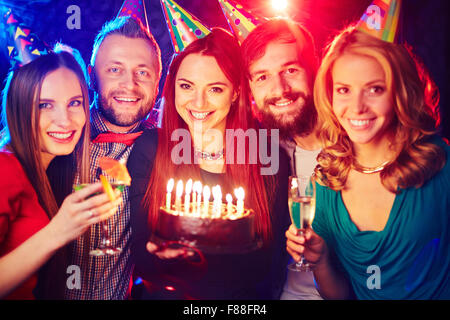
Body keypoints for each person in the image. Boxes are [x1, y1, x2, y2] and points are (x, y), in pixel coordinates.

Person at [286, 26, 450, 299]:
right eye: (344, 90)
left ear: (400, 92)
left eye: (374, 89)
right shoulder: (326, 182)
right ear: (330, 95)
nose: (357, 106)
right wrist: (321, 260)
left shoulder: (439, 165)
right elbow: (339, 296)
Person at [128, 28, 290, 299]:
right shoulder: (150, 149)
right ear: (172, 88)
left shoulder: (268, 154)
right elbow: (143, 258)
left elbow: (268, 267)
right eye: (186, 86)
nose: (198, 102)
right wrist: (164, 259)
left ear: (236, 93)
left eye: (215, 88)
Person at [0, 45, 120, 299]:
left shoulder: (45, 171)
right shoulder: (5, 168)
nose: (65, 120)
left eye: (74, 103)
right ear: (19, 107)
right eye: (45, 105)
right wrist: (58, 231)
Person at [64, 16, 162, 300]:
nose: (129, 85)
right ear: (93, 75)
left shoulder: (163, 151)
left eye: (142, 72)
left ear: (158, 79)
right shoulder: (59, 137)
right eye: (115, 69)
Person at [241, 18, 323, 299]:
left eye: (290, 69)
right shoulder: (264, 147)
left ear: (314, 70)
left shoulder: (357, 142)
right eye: (262, 77)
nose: (280, 89)